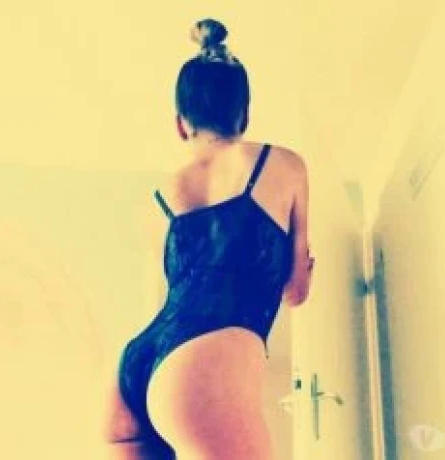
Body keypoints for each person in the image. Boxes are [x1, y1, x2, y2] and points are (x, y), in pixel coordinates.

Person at [103, 18, 315, 460]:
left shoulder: (157, 200)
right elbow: (295, 291)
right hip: (201, 376)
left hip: (134, 373)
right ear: (245, 115)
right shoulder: (284, 165)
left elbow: (184, 295)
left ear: (181, 124)